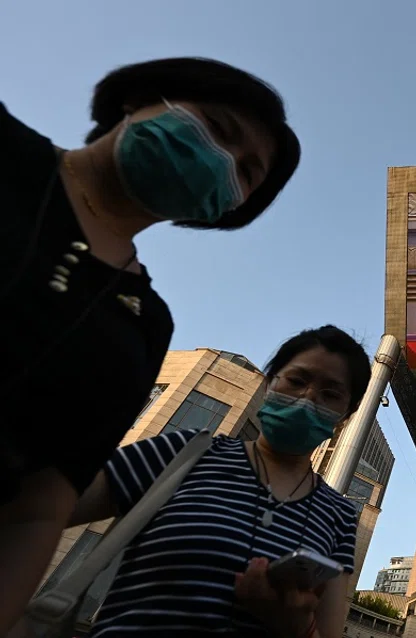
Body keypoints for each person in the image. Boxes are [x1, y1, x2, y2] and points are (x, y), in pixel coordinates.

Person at [0, 57, 301, 632]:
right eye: (216, 128)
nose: (220, 160)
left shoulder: (143, 326)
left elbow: (36, 512)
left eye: (246, 172)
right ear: (139, 100)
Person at [67, 326, 369, 637]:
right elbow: (43, 509)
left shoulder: (340, 517)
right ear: (269, 384)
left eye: (330, 394)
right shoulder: (182, 454)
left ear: (346, 416)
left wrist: (295, 625)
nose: (307, 398)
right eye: (296, 381)